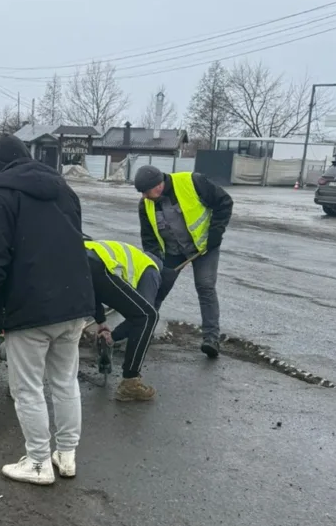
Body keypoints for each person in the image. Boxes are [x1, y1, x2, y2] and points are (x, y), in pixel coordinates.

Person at [0, 135, 95, 486]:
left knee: (27, 389)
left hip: (30, 307)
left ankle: (38, 462)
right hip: (73, 303)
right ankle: (66, 456)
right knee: (65, 382)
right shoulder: (64, 191)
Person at [134, 166, 233, 357]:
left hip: (204, 247)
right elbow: (149, 239)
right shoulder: (145, 205)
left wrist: (216, 233)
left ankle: (211, 339)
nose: (144, 196)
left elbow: (224, 202)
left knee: (205, 287)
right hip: (172, 252)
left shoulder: (193, 182)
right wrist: (155, 263)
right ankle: (142, 332)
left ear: (158, 185)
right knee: (157, 289)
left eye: (146, 191)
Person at [84, 239, 160, 401]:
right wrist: (114, 336)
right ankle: (130, 383)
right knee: (148, 316)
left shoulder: (125, 253)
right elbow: (141, 315)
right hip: (97, 266)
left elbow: (92, 287)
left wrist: (101, 322)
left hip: (81, 259)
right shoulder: (151, 270)